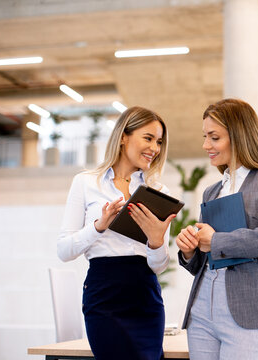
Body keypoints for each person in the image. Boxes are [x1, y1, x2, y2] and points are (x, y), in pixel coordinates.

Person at [175, 98, 258, 360]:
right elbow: (202, 261)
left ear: (239, 135)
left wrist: (215, 240)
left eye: (214, 137)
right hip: (203, 308)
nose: (206, 145)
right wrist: (189, 250)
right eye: (205, 137)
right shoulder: (211, 190)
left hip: (249, 308)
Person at [57, 106, 175, 360]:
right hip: (104, 297)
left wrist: (156, 241)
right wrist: (99, 226)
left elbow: (158, 266)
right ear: (123, 136)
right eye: (148, 138)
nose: (154, 148)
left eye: (159, 141)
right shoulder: (86, 182)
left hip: (146, 298)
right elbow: (64, 250)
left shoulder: (158, 191)